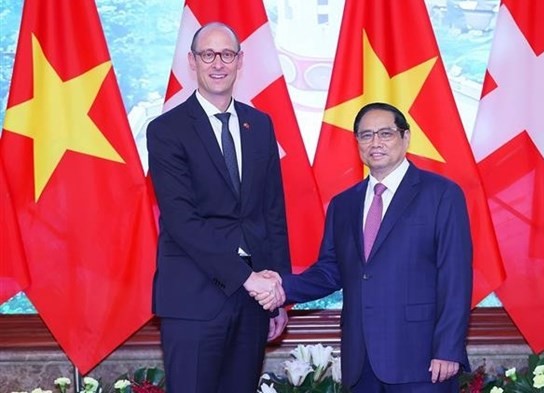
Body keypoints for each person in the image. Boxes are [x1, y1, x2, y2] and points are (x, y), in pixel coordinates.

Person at [259, 102, 473, 392]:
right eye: (366, 135)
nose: (376, 143)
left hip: (422, 359)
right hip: (360, 361)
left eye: (385, 133)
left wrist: (448, 348)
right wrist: (281, 285)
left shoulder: (441, 194)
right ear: (357, 141)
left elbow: (455, 277)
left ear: (405, 137)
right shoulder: (343, 204)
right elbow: (331, 271)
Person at [147, 22, 289, 393]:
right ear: (193, 61)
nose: (218, 63)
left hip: (253, 303)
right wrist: (248, 278)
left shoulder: (259, 125)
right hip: (194, 300)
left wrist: (278, 293)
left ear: (240, 60)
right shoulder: (166, 130)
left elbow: (272, 213)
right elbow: (182, 221)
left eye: (226, 54)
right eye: (208, 54)